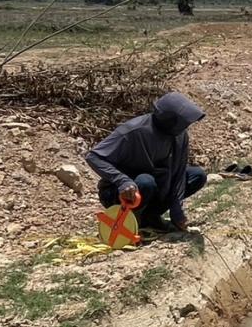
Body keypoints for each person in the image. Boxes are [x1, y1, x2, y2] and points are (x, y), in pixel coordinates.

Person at [86, 92, 208, 234]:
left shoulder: (180, 136)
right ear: (170, 119)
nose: (186, 126)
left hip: (155, 187)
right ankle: (131, 224)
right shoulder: (134, 131)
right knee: (145, 181)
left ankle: (151, 218)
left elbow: (179, 175)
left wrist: (177, 212)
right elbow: (93, 157)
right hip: (122, 193)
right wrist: (122, 180)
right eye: (183, 122)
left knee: (197, 175)